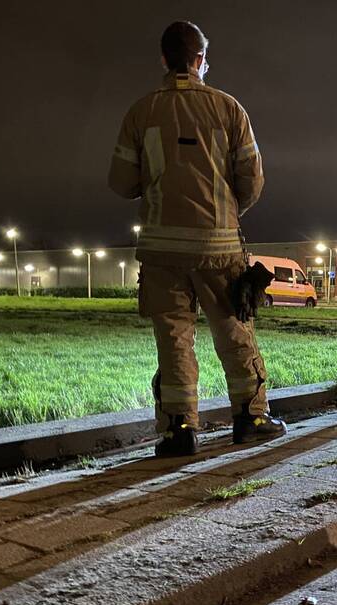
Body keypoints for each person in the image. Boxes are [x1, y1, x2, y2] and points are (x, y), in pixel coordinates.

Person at [108, 21, 285, 456]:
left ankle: (178, 429)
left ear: (164, 60)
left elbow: (120, 181)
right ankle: (251, 417)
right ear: (201, 59)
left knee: (173, 339)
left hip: (161, 250)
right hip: (218, 247)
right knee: (233, 331)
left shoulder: (140, 112)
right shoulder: (229, 109)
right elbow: (253, 180)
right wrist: (227, 210)